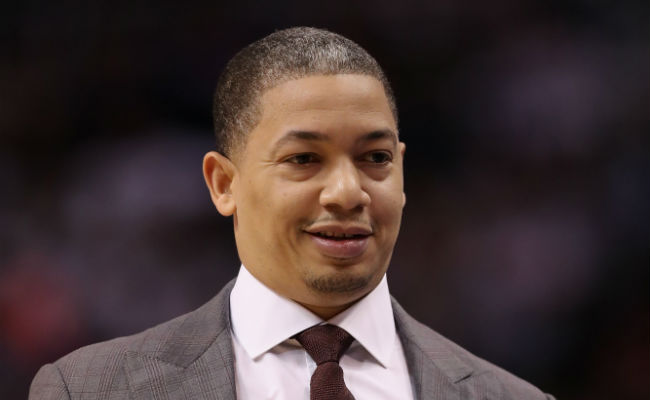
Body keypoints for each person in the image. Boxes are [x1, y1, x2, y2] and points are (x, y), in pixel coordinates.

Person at [29, 27, 555, 400]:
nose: (348, 193)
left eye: (375, 158)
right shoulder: (89, 390)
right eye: (304, 159)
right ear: (224, 184)